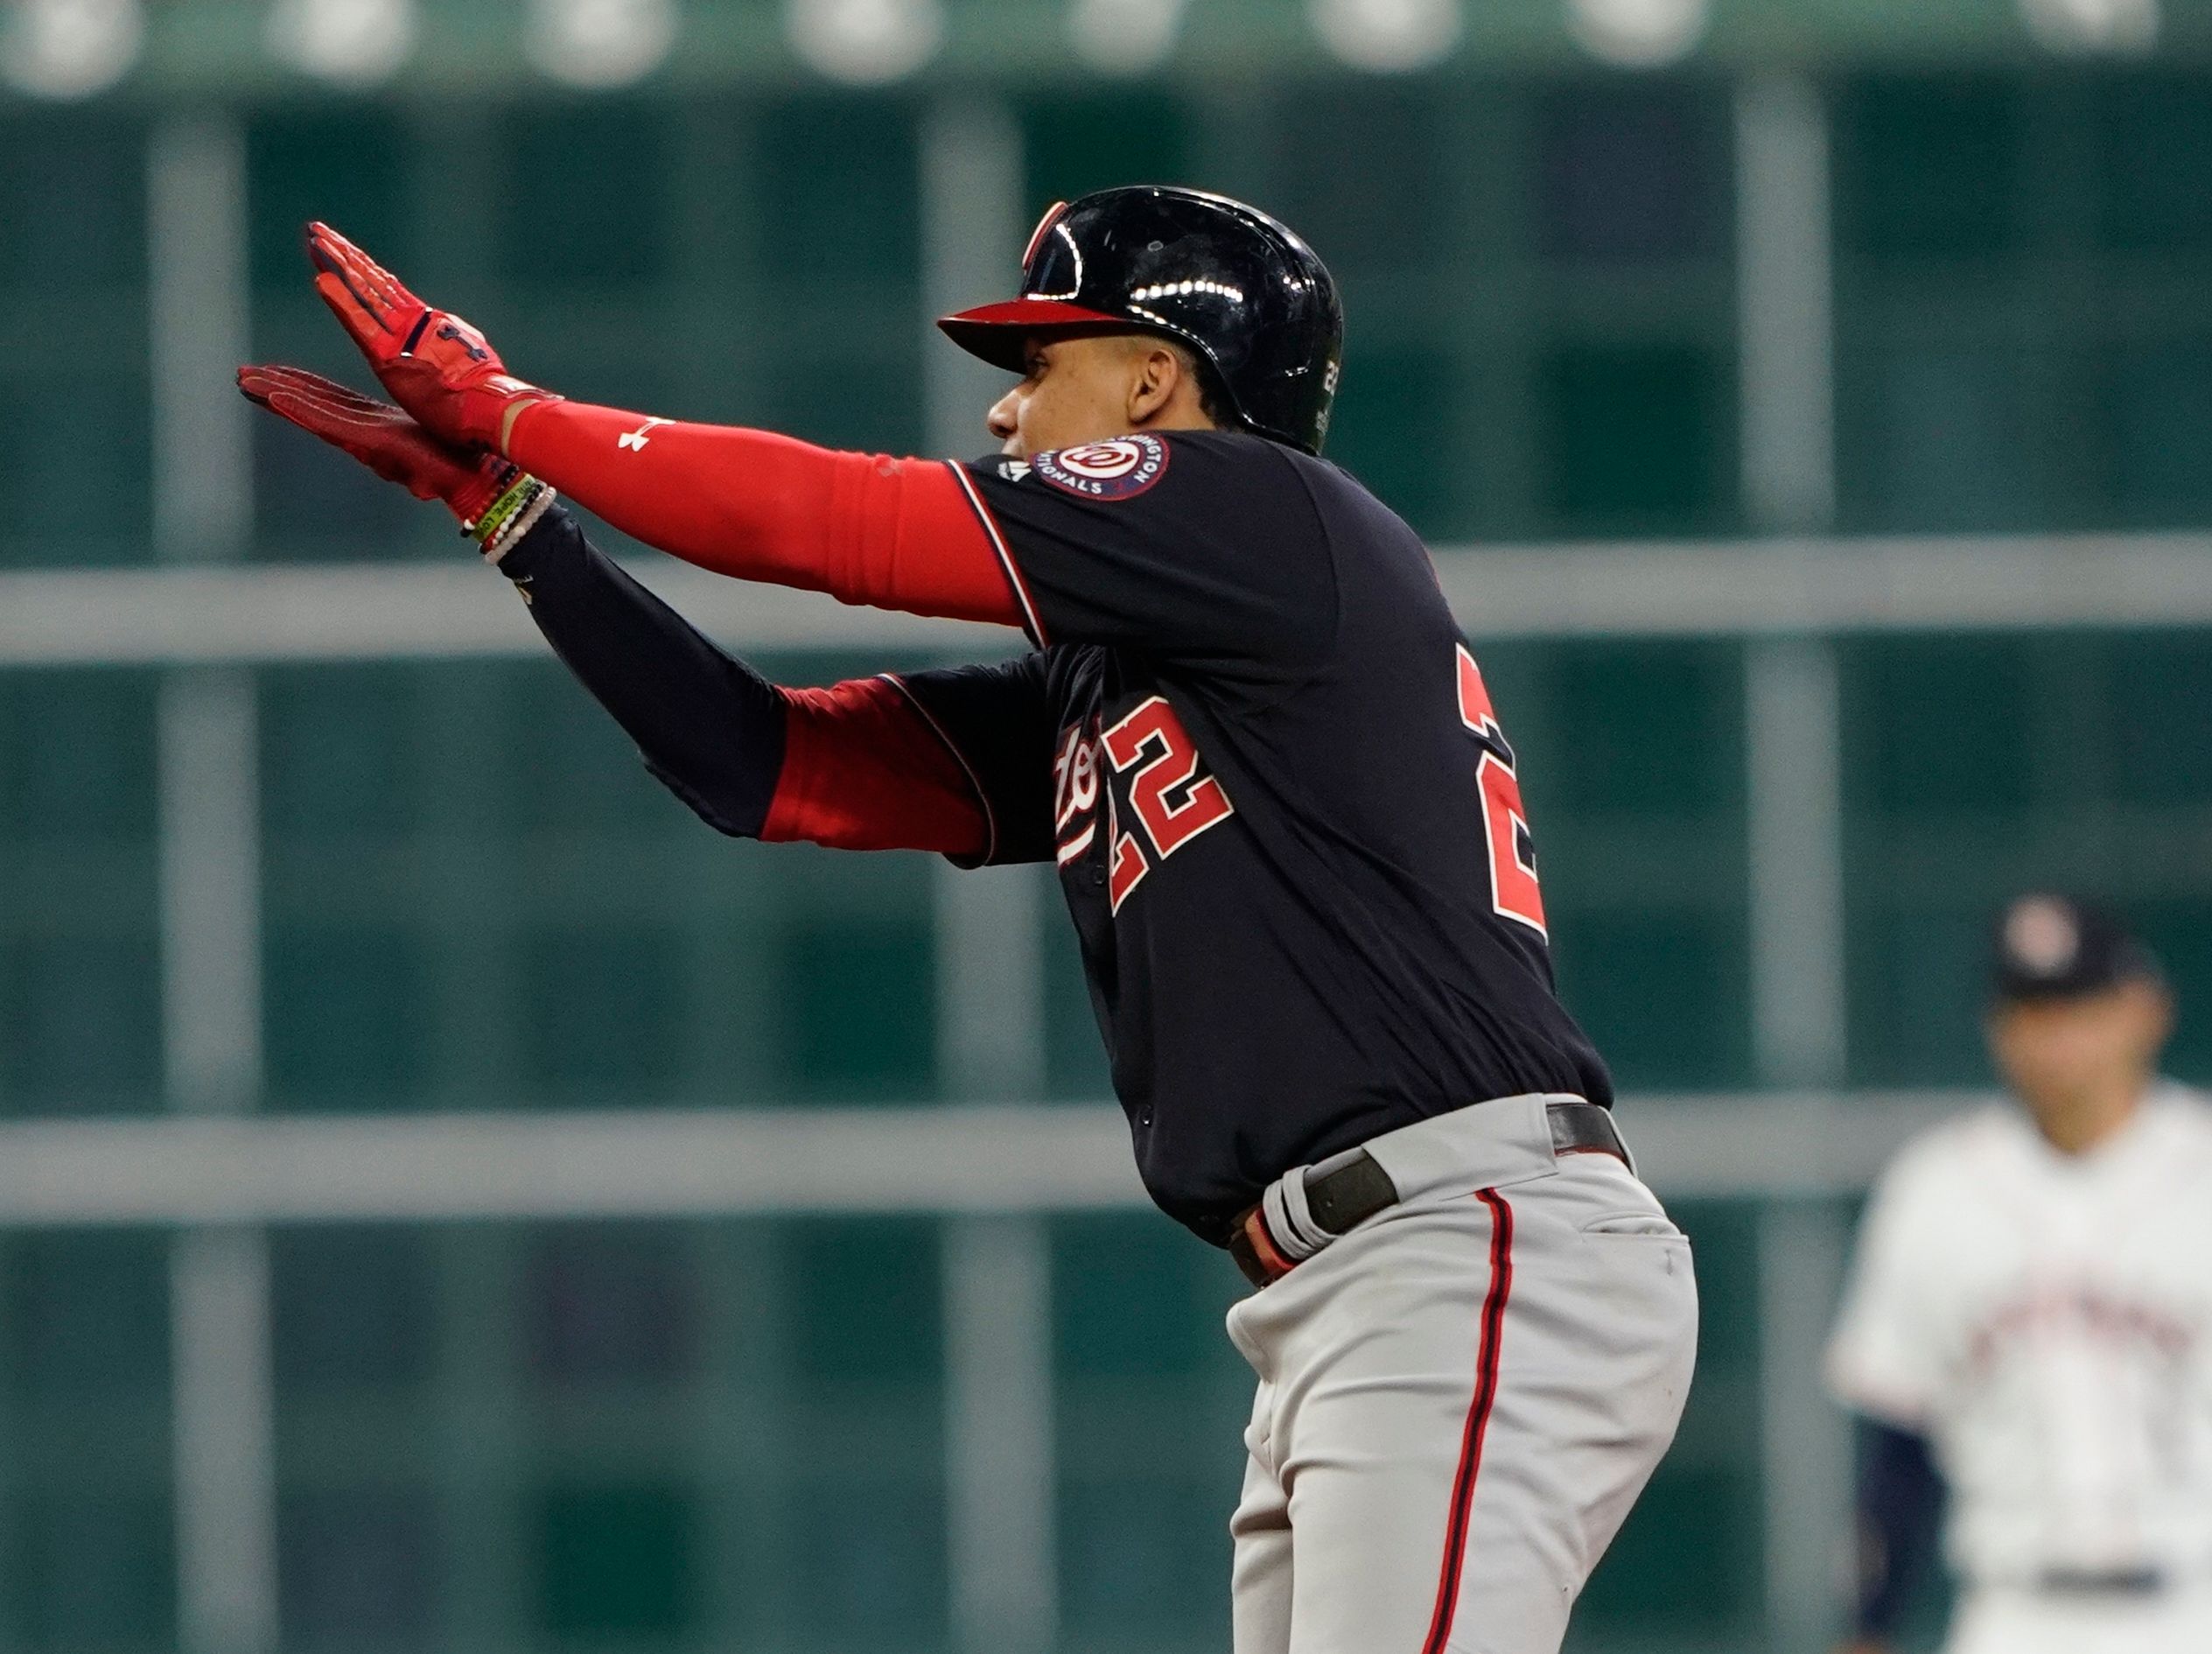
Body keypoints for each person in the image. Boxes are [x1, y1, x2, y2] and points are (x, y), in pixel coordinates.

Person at [239, 187, 1698, 1654]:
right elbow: (767, 768)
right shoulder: (1154, 664)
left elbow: (830, 524)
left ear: (1152, 378)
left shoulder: (1265, 515)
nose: (1008, 417)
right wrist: (515, 518)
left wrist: (511, 407)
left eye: (1040, 365)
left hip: (1465, 1245)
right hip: (1364, 1286)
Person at [1825, 894, 2212, 1654]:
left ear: (2145, 1008)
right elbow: (1897, 1450)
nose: (2055, 1039)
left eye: (2079, 1006)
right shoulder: (1931, 1191)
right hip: (2015, 1612)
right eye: (2030, 1010)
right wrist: (1866, 1628)